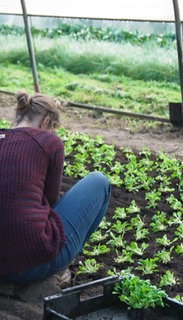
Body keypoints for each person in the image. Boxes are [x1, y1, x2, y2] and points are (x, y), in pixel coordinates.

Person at [0, 90, 111, 284]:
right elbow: (50, 202)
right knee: (99, 181)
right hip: (28, 267)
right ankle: (59, 269)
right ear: (45, 122)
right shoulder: (48, 142)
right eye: (52, 128)